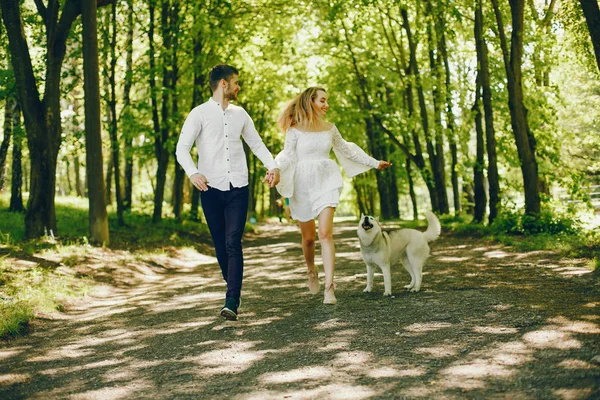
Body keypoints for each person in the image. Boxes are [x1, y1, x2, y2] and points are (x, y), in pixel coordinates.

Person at [176, 64, 280, 321]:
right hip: (209, 188)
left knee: (233, 241)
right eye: (236, 82)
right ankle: (231, 279)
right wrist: (193, 172)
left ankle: (232, 299)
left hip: (238, 188)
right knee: (221, 244)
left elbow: (256, 143)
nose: (238, 87)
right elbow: (182, 148)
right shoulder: (198, 114)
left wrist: (273, 166)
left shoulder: (241, 114)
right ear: (224, 84)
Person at [274, 87, 391, 304]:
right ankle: (311, 270)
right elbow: (287, 155)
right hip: (302, 184)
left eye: (327, 101)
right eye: (322, 101)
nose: (326, 105)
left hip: (326, 180)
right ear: (311, 101)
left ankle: (330, 287)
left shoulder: (330, 129)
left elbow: (347, 150)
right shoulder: (294, 130)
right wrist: (275, 169)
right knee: (308, 239)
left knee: (325, 234)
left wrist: (374, 163)